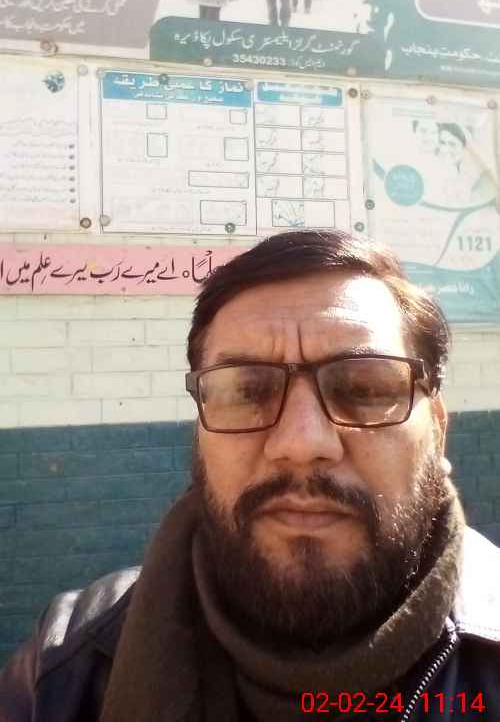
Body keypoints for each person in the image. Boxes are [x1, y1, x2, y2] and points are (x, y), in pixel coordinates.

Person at [1, 228, 500, 721]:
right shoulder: (63, 667)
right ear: (199, 433)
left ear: (437, 431)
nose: (301, 445)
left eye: (364, 389)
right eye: (246, 391)